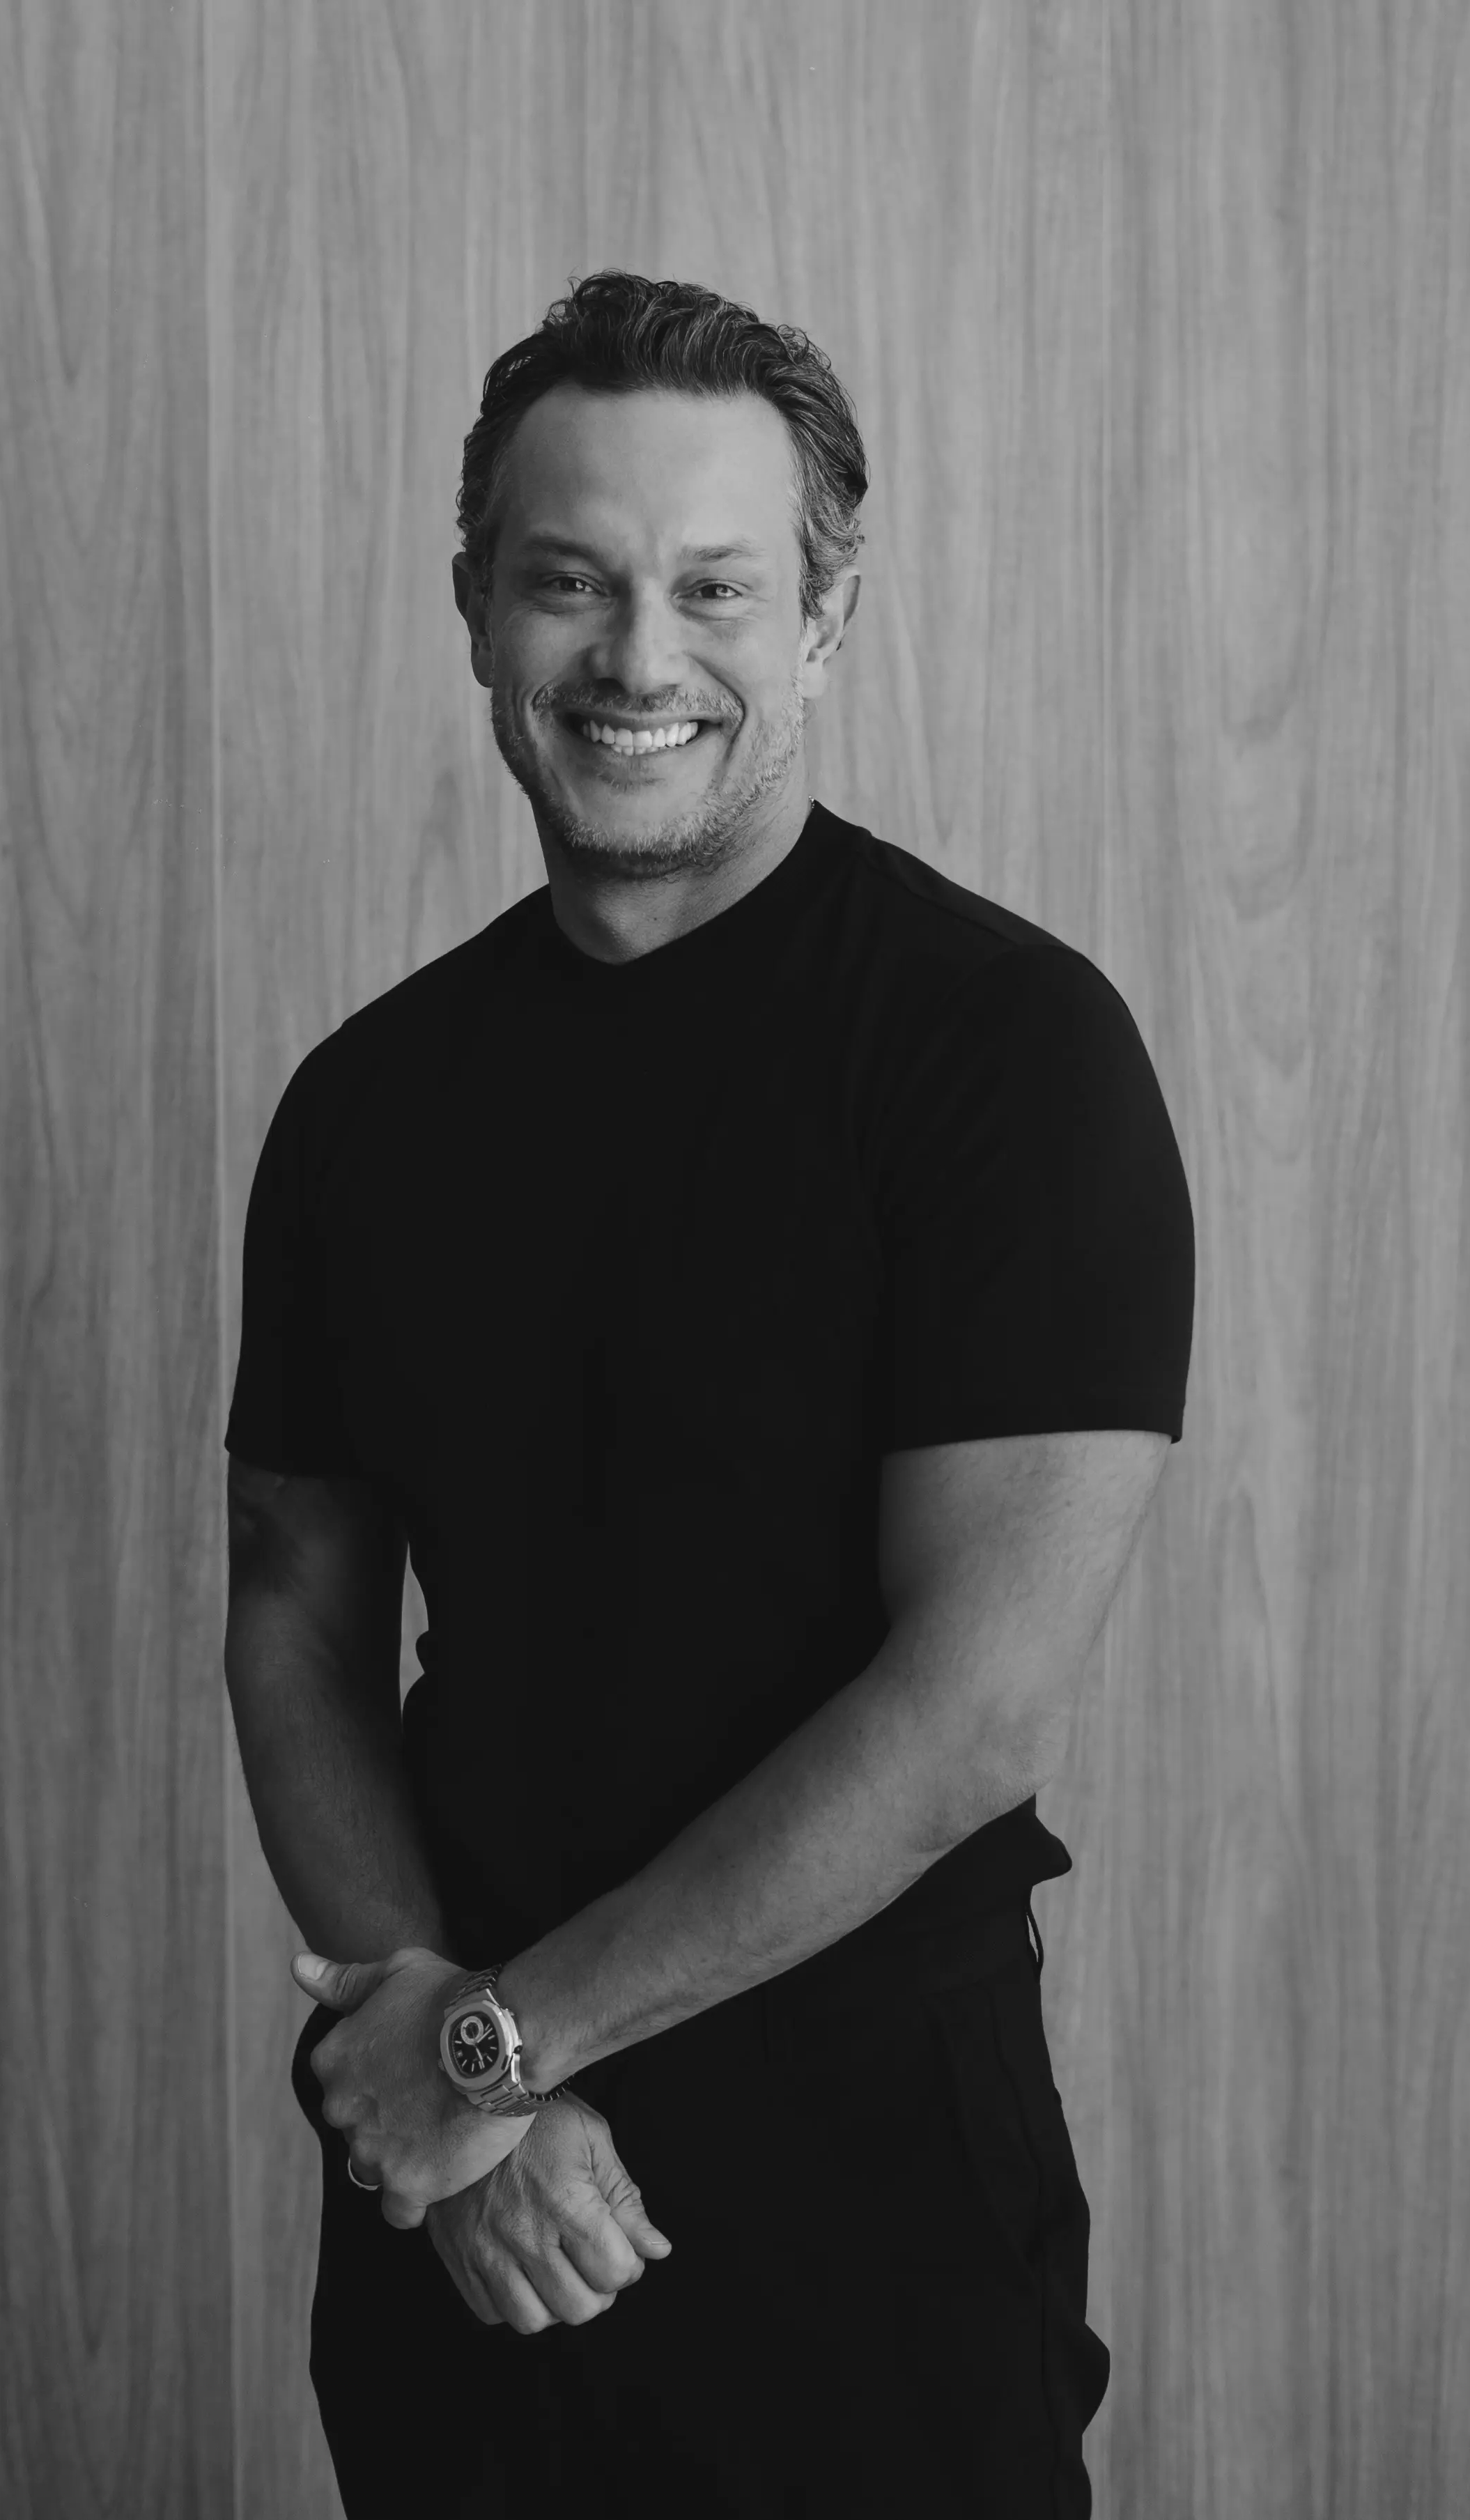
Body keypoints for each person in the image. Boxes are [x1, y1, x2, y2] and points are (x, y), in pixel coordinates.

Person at [223, 269, 1194, 2519]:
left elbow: (971, 1713)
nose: (638, 658)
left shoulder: (1003, 1056)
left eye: (717, 588)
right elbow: (294, 1601)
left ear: (825, 617)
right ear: (479, 613)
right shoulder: (368, 1105)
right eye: (569, 580)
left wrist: (493, 2052)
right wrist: (436, 2054)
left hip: (863, 2188)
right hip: (452, 2210)